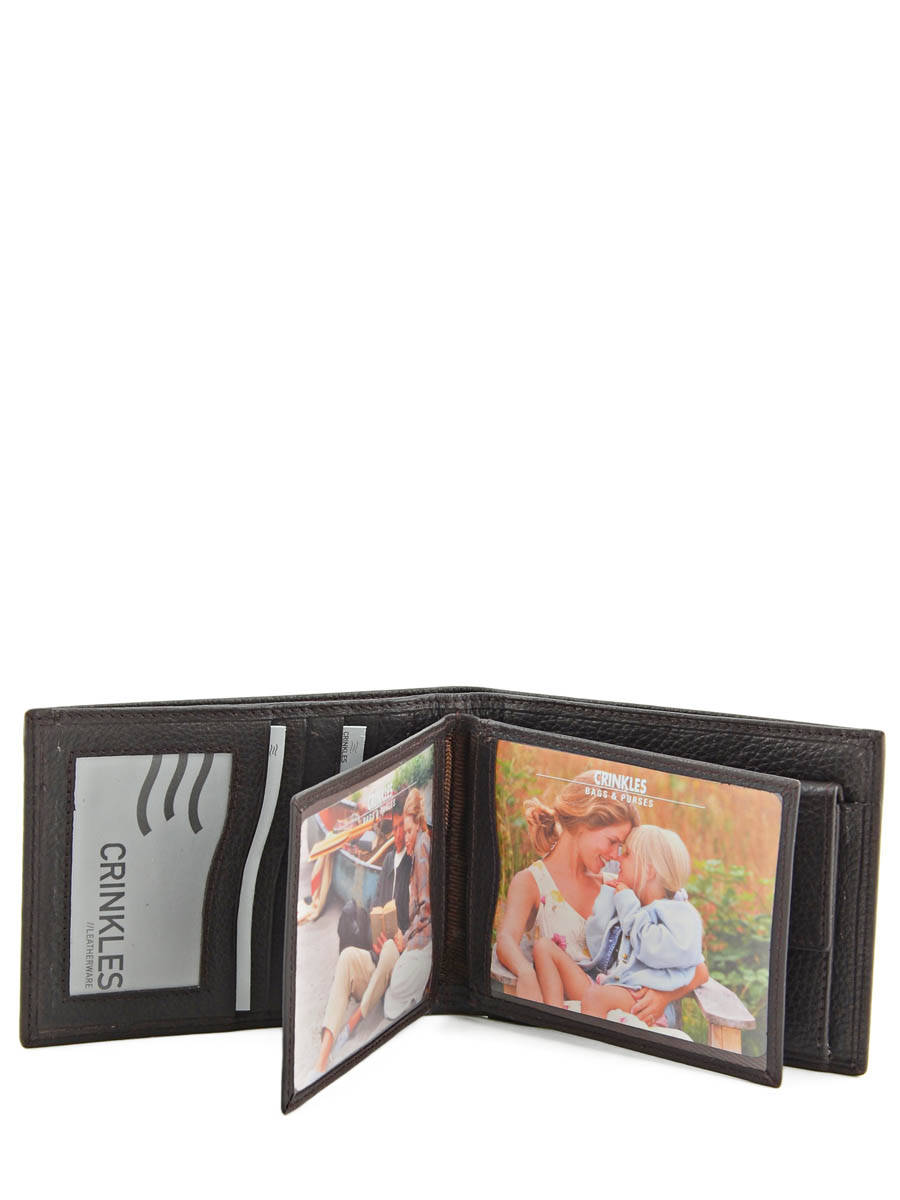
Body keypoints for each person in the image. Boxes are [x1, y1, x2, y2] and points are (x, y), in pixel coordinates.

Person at [497, 770, 706, 1022]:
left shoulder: (618, 887)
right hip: (569, 1008)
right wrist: (525, 973)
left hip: (616, 1010)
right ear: (584, 824)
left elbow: (696, 965)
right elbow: (506, 939)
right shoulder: (532, 882)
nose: (616, 855)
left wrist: (663, 996)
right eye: (612, 841)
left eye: (622, 848)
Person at [580, 825, 704, 1027]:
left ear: (648, 870)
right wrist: (611, 896)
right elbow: (597, 947)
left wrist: (663, 997)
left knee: (595, 997)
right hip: (617, 989)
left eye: (627, 853)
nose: (618, 859)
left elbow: (699, 969)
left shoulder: (675, 913)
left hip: (644, 1005)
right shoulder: (633, 903)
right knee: (546, 951)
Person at [383, 787, 432, 1019]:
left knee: (396, 988)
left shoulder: (421, 847)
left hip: (426, 939)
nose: (406, 836)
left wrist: (406, 938)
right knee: (395, 987)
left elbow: (426, 911)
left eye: (409, 830)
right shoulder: (421, 843)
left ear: (418, 826)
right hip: (421, 936)